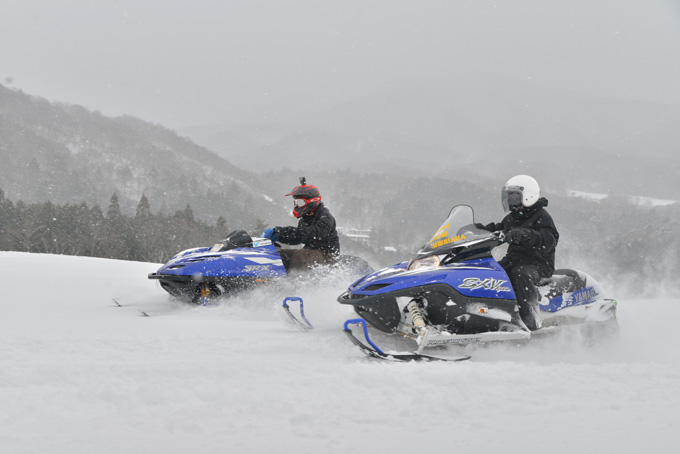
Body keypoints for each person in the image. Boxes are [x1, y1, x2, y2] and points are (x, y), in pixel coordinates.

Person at [477, 175, 559, 331]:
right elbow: (499, 229)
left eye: (514, 197)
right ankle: (489, 317)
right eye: (509, 197)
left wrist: (526, 234)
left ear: (528, 195)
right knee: (489, 273)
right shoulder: (512, 218)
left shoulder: (542, 217)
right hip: (514, 260)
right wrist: (478, 230)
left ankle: (530, 322)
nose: (510, 200)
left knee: (520, 274)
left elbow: (549, 239)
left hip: (538, 265)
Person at [262, 177, 340, 272]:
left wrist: (281, 231)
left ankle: (297, 284)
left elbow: (313, 234)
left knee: (300, 255)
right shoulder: (305, 218)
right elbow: (298, 238)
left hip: (328, 255)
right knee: (278, 255)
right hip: (310, 253)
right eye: (296, 202)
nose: (297, 206)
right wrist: (278, 236)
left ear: (312, 201)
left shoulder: (325, 217)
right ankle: (273, 281)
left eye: (300, 202)